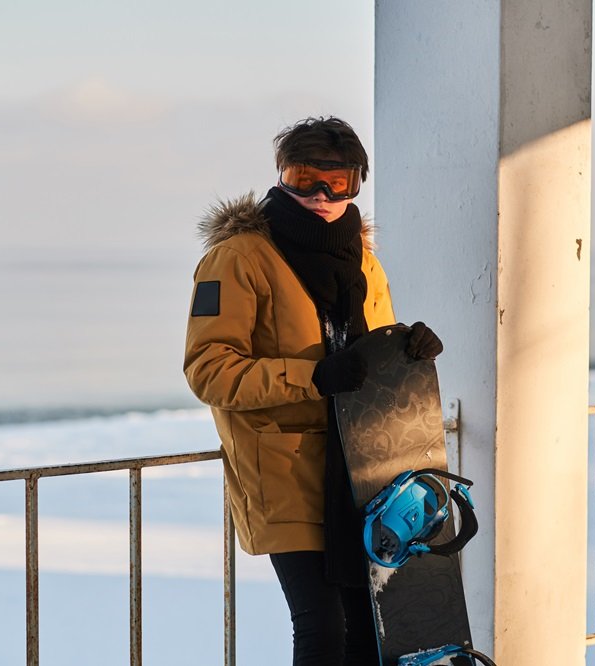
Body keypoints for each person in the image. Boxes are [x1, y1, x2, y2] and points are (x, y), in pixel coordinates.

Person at [184, 116, 443, 665]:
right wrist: (313, 378)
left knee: (371, 633)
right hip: (283, 469)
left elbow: (366, 363)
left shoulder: (364, 262)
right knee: (323, 627)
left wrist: (406, 351)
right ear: (281, 176)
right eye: (305, 178)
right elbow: (208, 369)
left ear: (356, 184)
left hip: (362, 471)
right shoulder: (238, 258)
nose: (321, 195)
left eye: (339, 182)